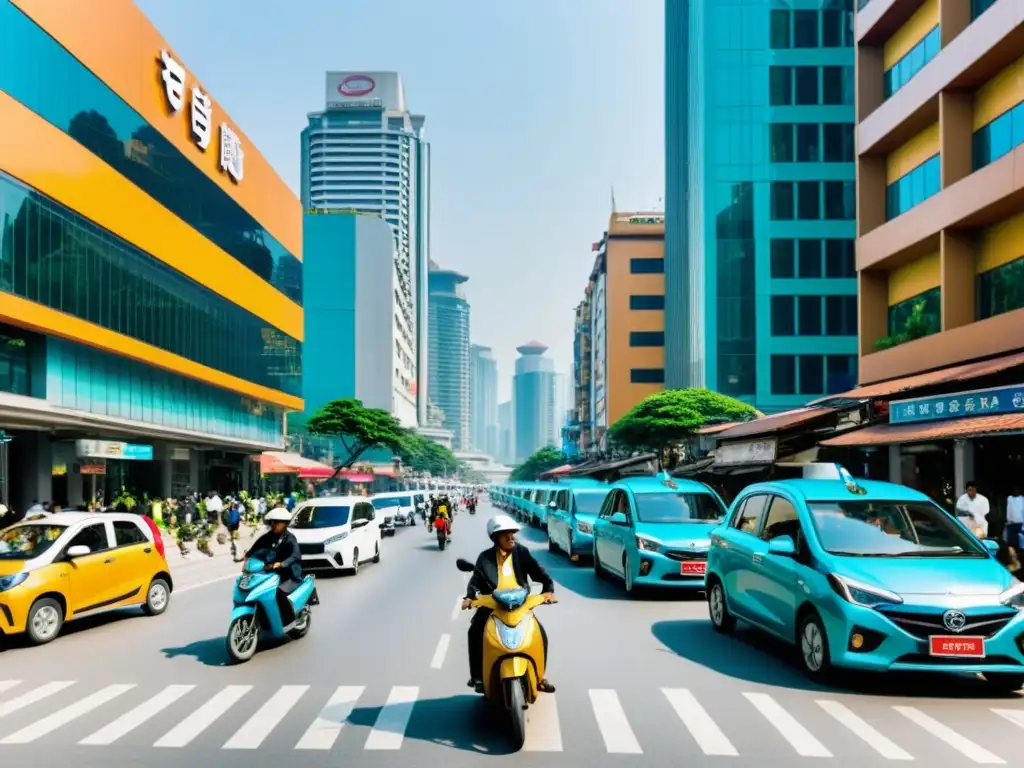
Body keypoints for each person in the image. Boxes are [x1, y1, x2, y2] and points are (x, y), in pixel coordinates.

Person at [462, 514, 556, 693]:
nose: (511, 537)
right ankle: (478, 677)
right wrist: (469, 597)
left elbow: (538, 572)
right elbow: (475, 580)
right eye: (505, 534)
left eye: (512, 533)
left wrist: (548, 590)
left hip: (520, 604)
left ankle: (540, 676)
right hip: (494, 604)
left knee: (540, 633)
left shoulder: (521, 552)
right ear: (496, 538)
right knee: (475, 631)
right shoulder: (485, 558)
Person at [244, 508, 302, 626]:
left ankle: (288, 620)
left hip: (289, 574)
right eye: (272, 522)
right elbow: (255, 548)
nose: (273, 525)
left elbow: (295, 556)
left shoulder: (290, 539)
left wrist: (282, 564)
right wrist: (247, 556)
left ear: (285, 523)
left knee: (277, 591)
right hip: (270, 571)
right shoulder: (267, 537)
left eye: (277, 522)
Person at [1007, 486, 1024, 555]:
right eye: (1014, 490)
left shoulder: (1022, 499)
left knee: (1021, 543)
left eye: (1017, 490)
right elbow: (1009, 510)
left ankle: (1021, 556)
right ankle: (1013, 556)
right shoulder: (1010, 498)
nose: (1015, 491)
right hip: (1011, 524)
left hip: (1021, 524)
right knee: (1011, 543)